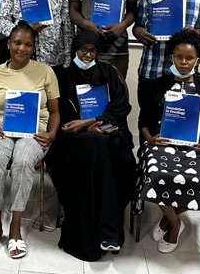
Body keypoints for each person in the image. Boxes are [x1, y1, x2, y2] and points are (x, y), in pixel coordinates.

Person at [134, 29, 200, 253]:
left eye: (189, 58)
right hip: (162, 146)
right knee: (157, 173)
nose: (184, 62)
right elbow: (143, 121)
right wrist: (150, 139)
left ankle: (168, 218)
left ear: (198, 59)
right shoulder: (157, 85)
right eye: (179, 57)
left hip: (198, 147)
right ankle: (176, 223)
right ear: (171, 57)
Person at [45, 31, 135, 261]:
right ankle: (109, 231)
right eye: (83, 50)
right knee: (94, 142)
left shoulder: (109, 73)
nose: (87, 55)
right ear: (75, 50)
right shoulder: (62, 76)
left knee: (103, 142)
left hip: (107, 134)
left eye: (92, 50)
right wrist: (86, 128)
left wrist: (94, 122)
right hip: (73, 140)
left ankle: (105, 229)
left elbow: (122, 107)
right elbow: (58, 113)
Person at [0, 21, 60, 259]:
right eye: (17, 43)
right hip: (1, 130)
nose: (22, 48)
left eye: (28, 44)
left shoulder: (45, 71)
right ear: (8, 44)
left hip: (35, 133)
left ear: (33, 47)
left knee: (23, 162)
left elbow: (54, 111)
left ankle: (15, 227)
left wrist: (52, 134)